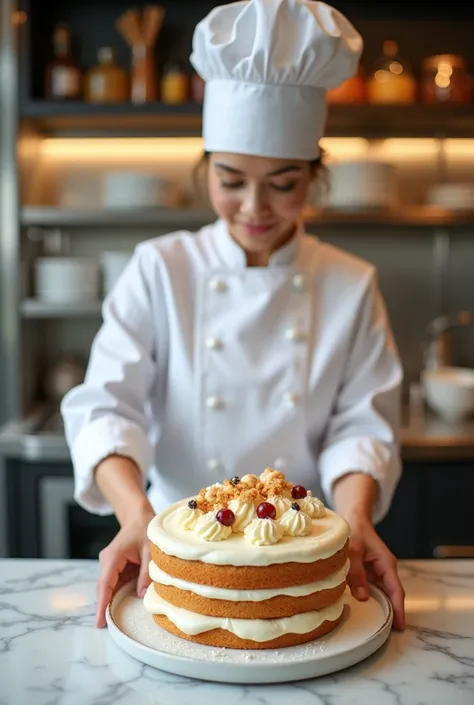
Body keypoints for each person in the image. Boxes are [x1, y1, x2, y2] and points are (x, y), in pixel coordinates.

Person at [61, 0, 405, 632]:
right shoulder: (161, 268)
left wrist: (356, 520)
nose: (254, 207)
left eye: (283, 183)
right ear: (205, 171)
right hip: (180, 545)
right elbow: (107, 408)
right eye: (231, 179)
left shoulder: (351, 283)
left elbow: (362, 425)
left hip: (301, 553)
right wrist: (135, 516)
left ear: (314, 177)